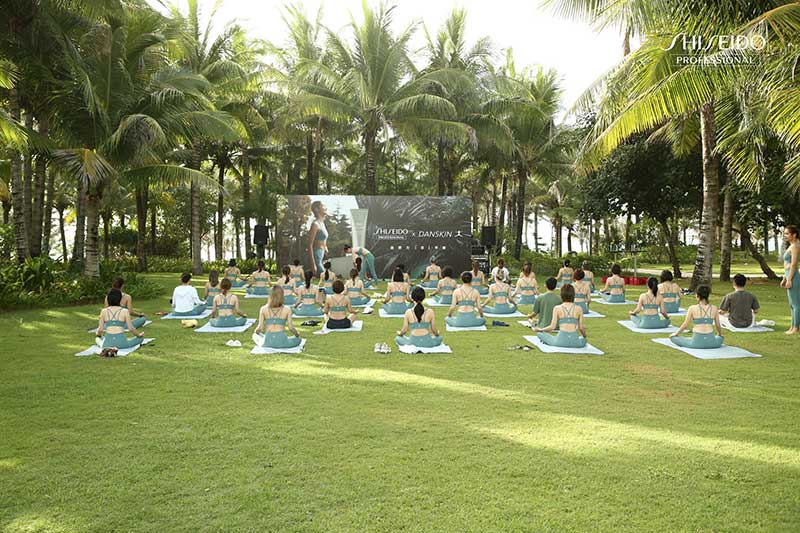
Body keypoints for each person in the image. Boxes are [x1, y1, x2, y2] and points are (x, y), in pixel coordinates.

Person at [781, 224, 800, 334]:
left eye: (787, 233)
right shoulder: (792, 245)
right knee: (792, 304)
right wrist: (785, 278)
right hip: (789, 275)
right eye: (785, 233)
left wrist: (789, 279)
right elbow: (786, 265)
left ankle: (795, 328)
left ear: (794, 234)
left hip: (793, 276)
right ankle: (792, 327)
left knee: (796, 304)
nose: (785, 235)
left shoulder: (795, 246)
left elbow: (793, 264)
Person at [308, 200, 328, 277]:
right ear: (317, 209)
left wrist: (325, 247)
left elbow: (322, 238)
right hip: (317, 257)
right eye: (323, 206)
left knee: (326, 279)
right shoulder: (315, 225)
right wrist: (313, 264)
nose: (325, 208)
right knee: (327, 278)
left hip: (321, 254)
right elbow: (310, 245)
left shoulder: (322, 224)